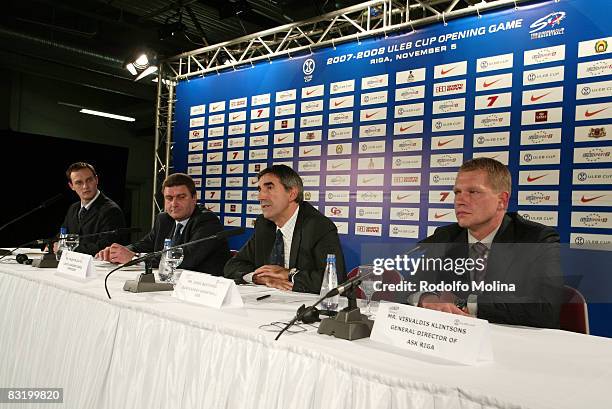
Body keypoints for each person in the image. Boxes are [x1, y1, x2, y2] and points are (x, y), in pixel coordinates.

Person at [411, 158, 563, 328]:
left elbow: (545, 309)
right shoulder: (445, 236)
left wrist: (467, 304)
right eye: (457, 192)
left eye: (473, 192)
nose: (460, 200)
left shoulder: (536, 239)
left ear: (502, 201)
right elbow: (410, 286)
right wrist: (426, 299)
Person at [224, 165, 346, 293]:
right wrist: (259, 278)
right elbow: (232, 266)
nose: (260, 197)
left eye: (269, 188)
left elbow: (335, 280)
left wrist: (290, 275)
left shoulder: (319, 226)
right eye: (259, 189)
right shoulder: (264, 225)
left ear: (292, 194)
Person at [96, 173, 230, 275]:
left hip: (202, 290)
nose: (174, 204)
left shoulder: (206, 221)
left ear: (194, 198)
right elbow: (144, 244)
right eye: (169, 198)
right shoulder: (164, 219)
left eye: (181, 197)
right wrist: (117, 252)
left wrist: (135, 258)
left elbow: (187, 259)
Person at [61, 162, 126, 255]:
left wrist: (68, 250)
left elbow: (105, 246)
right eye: (79, 182)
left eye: (89, 180)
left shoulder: (111, 210)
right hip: (73, 266)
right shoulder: (73, 209)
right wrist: (54, 244)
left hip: (100, 267)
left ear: (96, 179)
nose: (85, 186)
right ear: (71, 186)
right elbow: (63, 234)